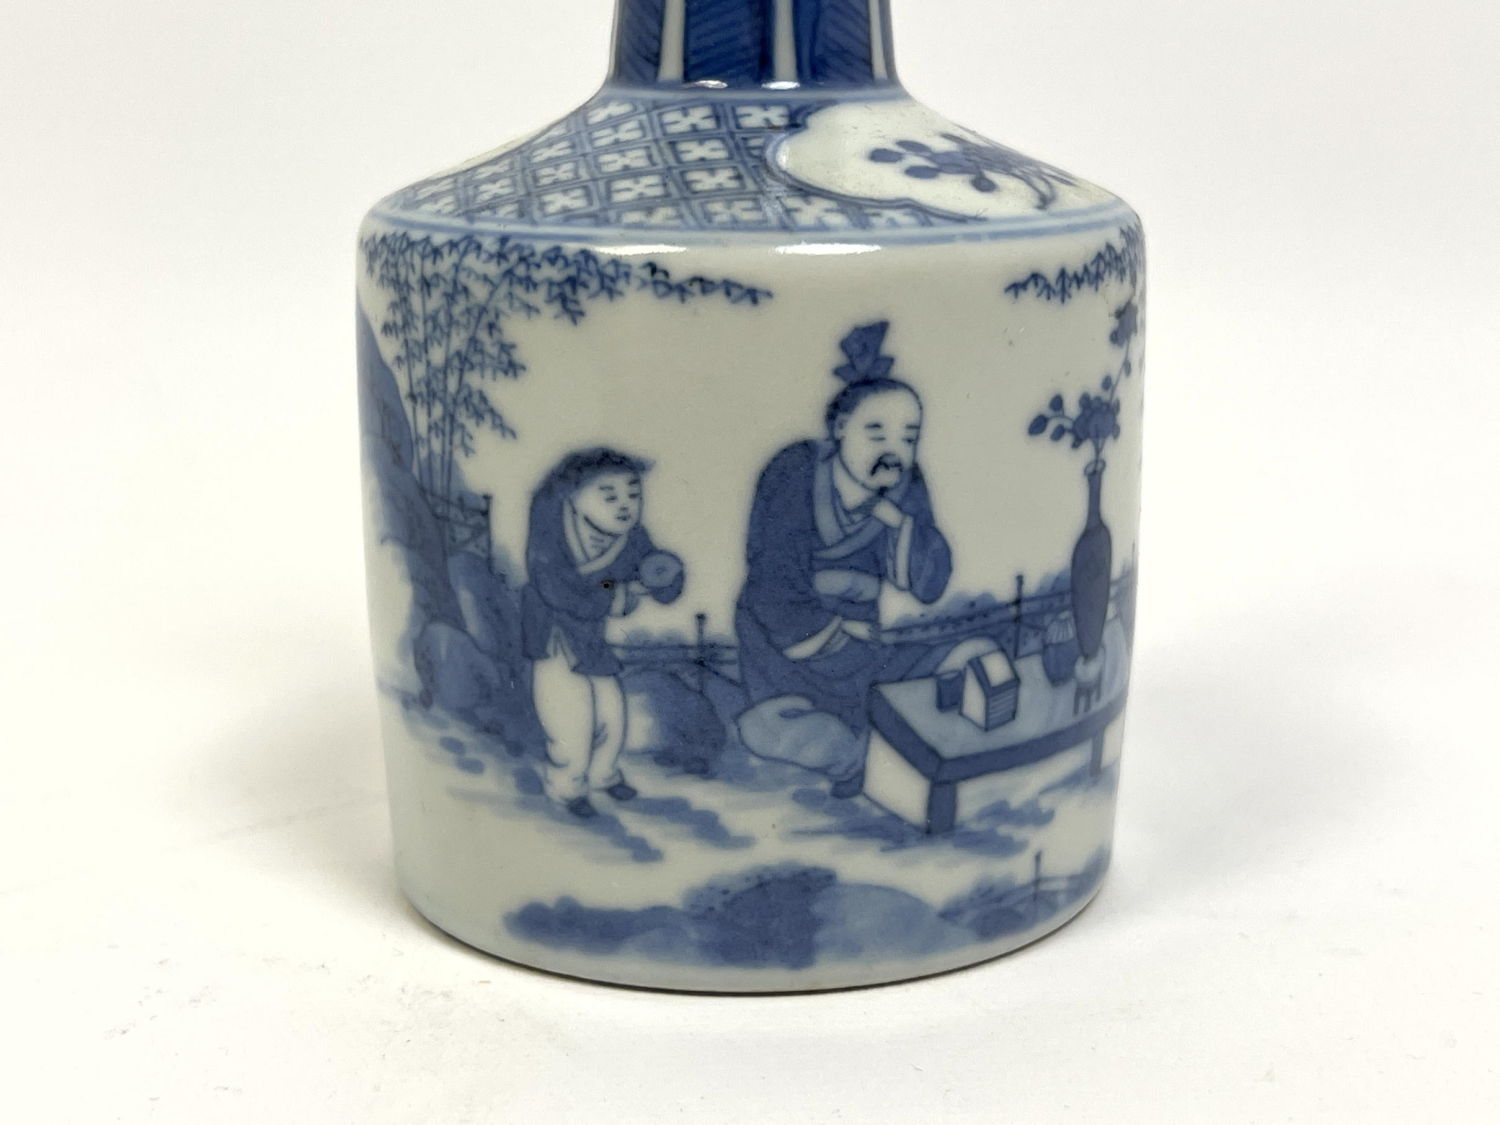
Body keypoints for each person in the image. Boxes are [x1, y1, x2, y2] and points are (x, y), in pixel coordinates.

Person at [735, 322, 952, 796]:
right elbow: (773, 586)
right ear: (839, 429)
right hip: (782, 643)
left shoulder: (905, 487)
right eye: (876, 432)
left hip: (862, 638)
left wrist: (899, 522)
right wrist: (846, 647)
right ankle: (859, 755)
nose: (894, 451)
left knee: (920, 689)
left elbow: (931, 581)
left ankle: (874, 748)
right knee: (774, 727)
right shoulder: (796, 472)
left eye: (909, 437)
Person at [521, 448, 684, 818]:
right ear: (572, 498)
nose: (625, 506)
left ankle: (604, 773)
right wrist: (615, 598)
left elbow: (653, 569)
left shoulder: (632, 537)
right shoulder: (551, 529)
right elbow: (554, 588)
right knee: (569, 716)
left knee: (612, 710)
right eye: (609, 496)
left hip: (590, 637)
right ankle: (567, 785)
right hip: (552, 635)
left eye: (633, 495)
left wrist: (667, 577)